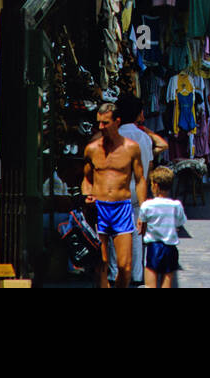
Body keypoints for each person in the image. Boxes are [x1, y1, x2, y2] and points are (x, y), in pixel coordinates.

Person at [82, 103, 146, 289]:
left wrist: (143, 211)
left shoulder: (131, 148)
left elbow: (140, 179)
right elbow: (87, 179)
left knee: (125, 267)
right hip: (99, 208)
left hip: (122, 208)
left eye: (105, 123)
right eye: (99, 123)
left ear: (117, 122)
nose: (101, 127)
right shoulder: (92, 148)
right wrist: (87, 193)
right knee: (101, 265)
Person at [116, 93, 167, 283]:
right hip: (138, 193)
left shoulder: (116, 135)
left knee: (116, 236)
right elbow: (153, 161)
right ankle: (137, 276)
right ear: (138, 114)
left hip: (117, 194)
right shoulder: (144, 138)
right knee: (137, 237)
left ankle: (117, 274)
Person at [138, 166, 186, 288]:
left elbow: (142, 223)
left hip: (153, 247)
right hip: (170, 247)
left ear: (155, 185)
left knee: (150, 284)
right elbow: (180, 222)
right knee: (167, 282)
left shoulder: (147, 205)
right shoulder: (176, 205)